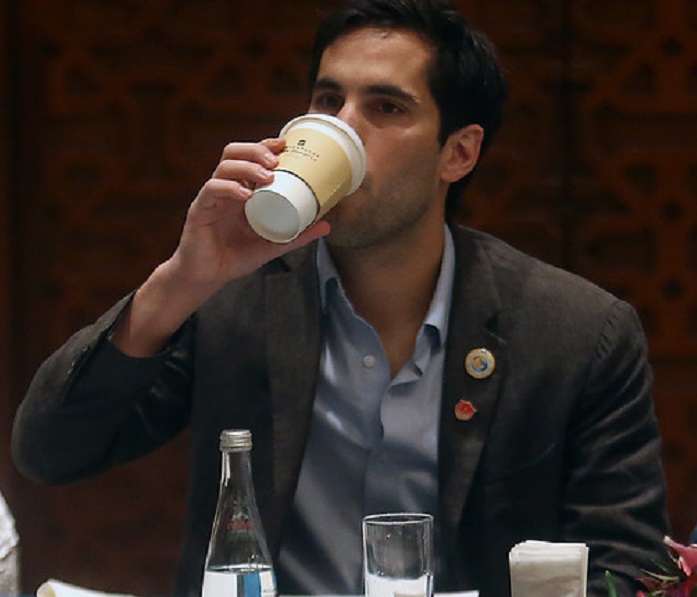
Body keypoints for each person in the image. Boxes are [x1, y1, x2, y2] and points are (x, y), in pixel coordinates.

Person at [12, 0, 669, 595]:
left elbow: (627, 566)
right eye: (328, 102)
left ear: (458, 153)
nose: (342, 128)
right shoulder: (233, 297)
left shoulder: (575, 332)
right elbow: (52, 450)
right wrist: (182, 278)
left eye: (386, 108)